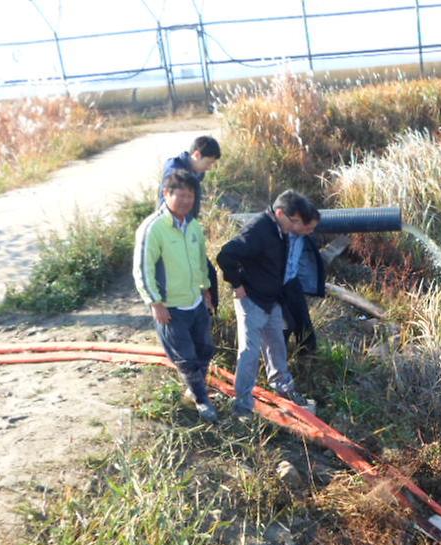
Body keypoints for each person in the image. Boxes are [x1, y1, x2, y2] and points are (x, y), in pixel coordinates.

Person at [216, 190, 317, 420]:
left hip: (271, 300)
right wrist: (237, 285)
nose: (296, 226)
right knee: (250, 352)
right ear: (280, 212)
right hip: (252, 300)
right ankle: (242, 406)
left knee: (277, 345)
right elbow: (225, 256)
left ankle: (283, 386)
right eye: (294, 221)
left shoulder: (281, 230)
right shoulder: (258, 229)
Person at [134, 169, 218, 423]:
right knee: (186, 359)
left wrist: (206, 292)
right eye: (180, 195)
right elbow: (143, 269)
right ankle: (202, 401)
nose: (186, 201)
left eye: (190, 196)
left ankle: (194, 389)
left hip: (195, 302)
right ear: (166, 194)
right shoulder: (154, 228)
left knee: (205, 350)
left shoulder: (193, 226)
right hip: (170, 308)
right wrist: (155, 303)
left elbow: (201, 263)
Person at [159, 135, 222, 310]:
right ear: (196, 154)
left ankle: (207, 314)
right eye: (208, 162)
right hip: (173, 232)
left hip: (188, 229)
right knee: (202, 272)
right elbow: (167, 206)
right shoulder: (175, 172)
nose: (209, 168)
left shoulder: (195, 170)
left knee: (206, 273)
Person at [281, 208, 325, 355]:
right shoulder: (280, 236)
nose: (311, 231)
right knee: (285, 326)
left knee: (305, 327)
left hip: (292, 283)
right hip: (276, 286)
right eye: (309, 227)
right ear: (297, 222)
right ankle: (279, 361)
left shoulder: (303, 238)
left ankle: (307, 359)